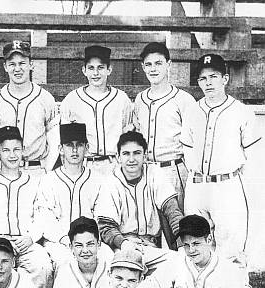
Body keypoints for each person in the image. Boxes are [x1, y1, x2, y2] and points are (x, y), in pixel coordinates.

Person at [181, 53, 261, 268]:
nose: (208, 83)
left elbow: (252, 157)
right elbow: (187, 149)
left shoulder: (241, 112)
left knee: (230, 249)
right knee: (196, 244)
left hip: (227, 185)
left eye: (213, 76)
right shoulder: (192, 110)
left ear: (225, 79)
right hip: (198, 185)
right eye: (203, 78)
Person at [0, 125, 53, 288]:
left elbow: (42, 215)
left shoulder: (35, 181)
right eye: (6, 150)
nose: (12, 155)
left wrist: (30, 238)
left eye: (16, 149)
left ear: (23, 150)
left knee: (43, 267)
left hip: (25, 242)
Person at [95, 131, 182, 272]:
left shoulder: (155, 174)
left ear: (145, 155)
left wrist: (182, 243)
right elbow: (106, 227)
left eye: (136, 153)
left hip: (152, 248)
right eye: (126, 153)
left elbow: (172, 211)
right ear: (117, 157)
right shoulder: (110, 182)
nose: (131, 159)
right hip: (122, 247)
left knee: (181, 262)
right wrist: (123, 243)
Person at [133, 42, 197, 213]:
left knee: (179, 227)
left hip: (174, 169)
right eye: (148, 64)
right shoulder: (140, 99)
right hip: (146, 170)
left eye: (158, 63)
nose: (153, 69)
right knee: (149, 228)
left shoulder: (184, 100)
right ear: (143, 68)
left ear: (169, 64)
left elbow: (194, 141)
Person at [0, 40, 59, 173]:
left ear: (31, 65)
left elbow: (54, 141)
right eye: (12, 64)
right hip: (2, 169)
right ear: (5, 67)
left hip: (35, 169)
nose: (17, 69)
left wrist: (47, 170)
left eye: (22, 63)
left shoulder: (45, 98)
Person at [60, 45, 133, 180]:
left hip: (115, 164)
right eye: (91, 68)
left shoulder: (122, 99)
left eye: (100, 68)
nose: (96, 73)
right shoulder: (72, 99)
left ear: (109, 70)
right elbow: (65, 142)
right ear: (84, 70)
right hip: (85, 165)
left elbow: (127, 134)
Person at [40, 123, 104, 247]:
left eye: (79, 145)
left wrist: (91, 240)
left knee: (109, 259)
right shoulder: (49, 180)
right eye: (69, 145)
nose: (74, 150)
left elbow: (101, 216)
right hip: (57, 242)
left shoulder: (98, 179)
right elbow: (45, 217)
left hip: (92, 242)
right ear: (61, 149)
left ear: (87, 148)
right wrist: (64, 239)